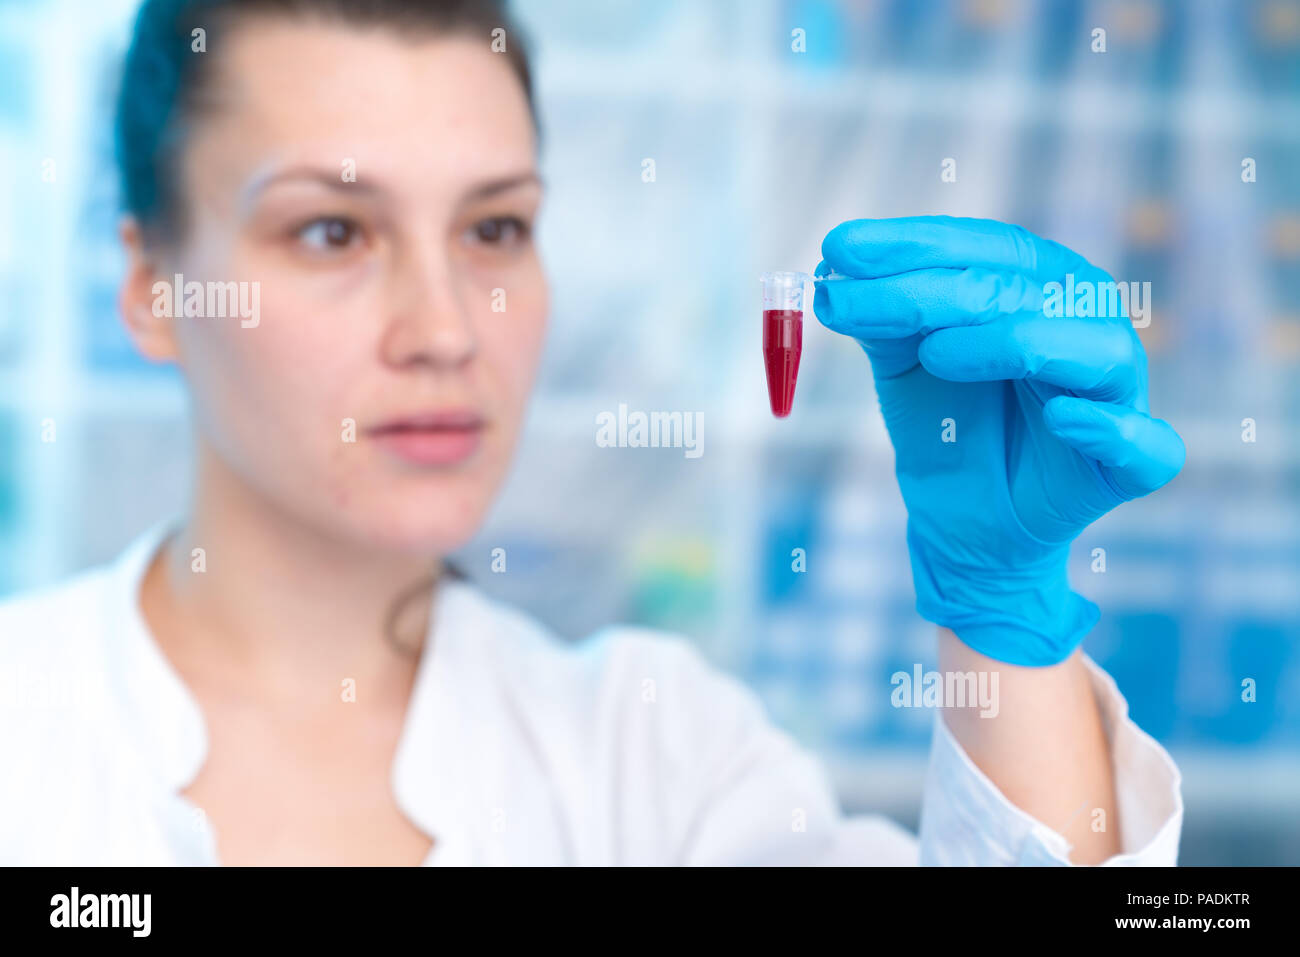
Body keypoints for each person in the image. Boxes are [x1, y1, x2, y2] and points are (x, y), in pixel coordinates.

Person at [0, 0, 1184, 866]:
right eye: (331, 233)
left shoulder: (653, 757)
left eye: (496, 230)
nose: (445, 328)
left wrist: (1000, 628)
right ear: (154, 287)